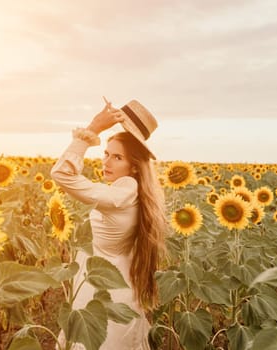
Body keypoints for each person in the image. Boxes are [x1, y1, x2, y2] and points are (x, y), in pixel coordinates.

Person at [50, 97, 167, 349]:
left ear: (134, 167)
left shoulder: (119, 195)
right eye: (106, 154)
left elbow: (61, 173)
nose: (106, 162)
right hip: (117, 286)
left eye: (117, 158)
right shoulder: (134, 191)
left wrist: (92, 129)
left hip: (101, 291)